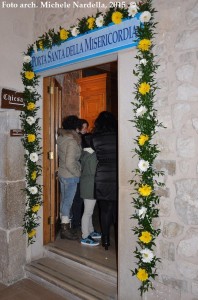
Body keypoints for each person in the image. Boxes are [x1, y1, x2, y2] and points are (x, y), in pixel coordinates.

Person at [91, 111, 118, 250]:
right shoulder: (119, 136)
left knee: (105, 210)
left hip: (102, 176)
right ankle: (120, 240)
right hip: (118, 175)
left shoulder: (95, 137)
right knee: (118, 210)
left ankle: (106, 240)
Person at [57, 115, 82, 240]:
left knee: (64, 201)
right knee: (67, 202)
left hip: (62, 173)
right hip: (70, 175)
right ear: (75, 127)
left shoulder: (62, 138)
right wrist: (78, 173)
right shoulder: (72, 141)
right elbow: (70, 162)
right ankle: (65, 230)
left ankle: (65, 225)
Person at [80, 133, 101, 246]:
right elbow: (94, 171)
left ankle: (91, 230)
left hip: (86, 184)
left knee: (89, 211)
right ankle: (85, 236)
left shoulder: (84, 152)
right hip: (90, 185)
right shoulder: (92, 155)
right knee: (87, 212)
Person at [71, 118, 89, 232]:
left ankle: (77, 222)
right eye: (84, 128)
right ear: (78, 128)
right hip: (78, 173)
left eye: (87, 127)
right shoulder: (75, 140)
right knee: (77, 199)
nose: (86, 130)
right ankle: (76, 223)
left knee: (80, 199)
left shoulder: (84, 138)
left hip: (82, 172)